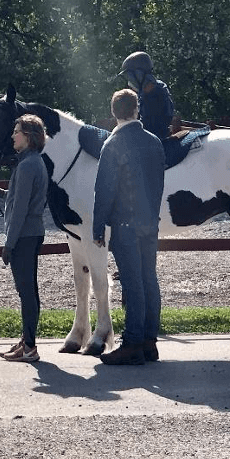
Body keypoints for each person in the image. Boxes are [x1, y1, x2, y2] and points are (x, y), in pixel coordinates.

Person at [93, 89, 166, 365]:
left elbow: (105, 190)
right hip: (149, 223)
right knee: (149, 280)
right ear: (137, 110)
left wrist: (98, 228)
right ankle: (149, 341)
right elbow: (159, 184)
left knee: (133, 284)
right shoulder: (154, 142)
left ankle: (133, 342)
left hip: (125, 225)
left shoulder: (113, 145)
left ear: (114, 112)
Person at [0, 114, 48, 363]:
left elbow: (20, 210)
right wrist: (4, 192)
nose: (13, 135)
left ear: (28, 137)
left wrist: (9, 243)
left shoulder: (27, 165)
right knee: (29, 290)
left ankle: (29, 347)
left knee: (26, 291)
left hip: (25, 234)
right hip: (32, 232)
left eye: (17, 132)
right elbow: (23, 196)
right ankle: (26, 340)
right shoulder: (32, 161)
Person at [118, 51, 174, 141]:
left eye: (130, 76)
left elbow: (149, 127)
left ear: (139, 74)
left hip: (154, 142)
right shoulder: (145, 93)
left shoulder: (155, 94)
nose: (129, 82)